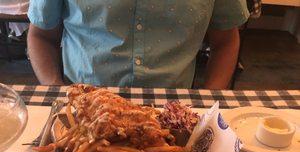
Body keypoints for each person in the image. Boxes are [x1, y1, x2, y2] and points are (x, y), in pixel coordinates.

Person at [27, 1, 249, 89]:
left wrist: (209, 99)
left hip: (176, 110)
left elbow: (226, 41)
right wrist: (56, 90)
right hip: (84, 105)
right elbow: (41, 36)